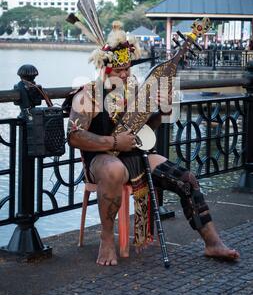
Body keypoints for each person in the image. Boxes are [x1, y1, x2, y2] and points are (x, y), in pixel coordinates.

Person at [67, 20, 240, 266]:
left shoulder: (134, 91)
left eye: (127, 69)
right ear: (105, 70)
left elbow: (149, 129)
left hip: (136, 155)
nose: (125, 74)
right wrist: (114, 141)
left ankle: (213, 243)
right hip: (101, 158)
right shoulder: (88, 95)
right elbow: (74, 136)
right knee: (114, 169)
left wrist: (160, 110)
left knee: (186, 178)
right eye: (119, 71)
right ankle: (107, 239)